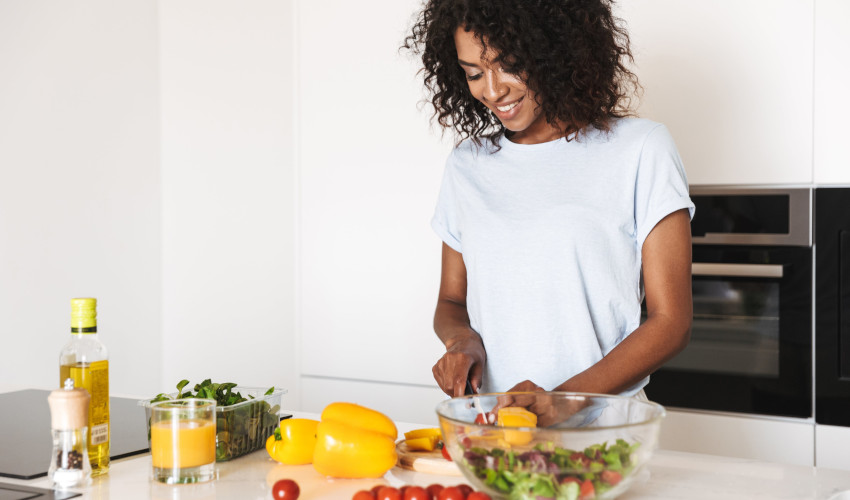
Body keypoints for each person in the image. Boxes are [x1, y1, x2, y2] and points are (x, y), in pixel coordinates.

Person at [404, 0, 695, 404]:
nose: (492, 90)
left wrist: (562, 401)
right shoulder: (467, 165)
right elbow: (452, 300)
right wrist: (461, 342)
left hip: (603, 432)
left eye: (508, 64)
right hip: (499, 426)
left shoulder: (640, 149)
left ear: (555, 51)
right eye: (473, 72)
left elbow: (671, 323)